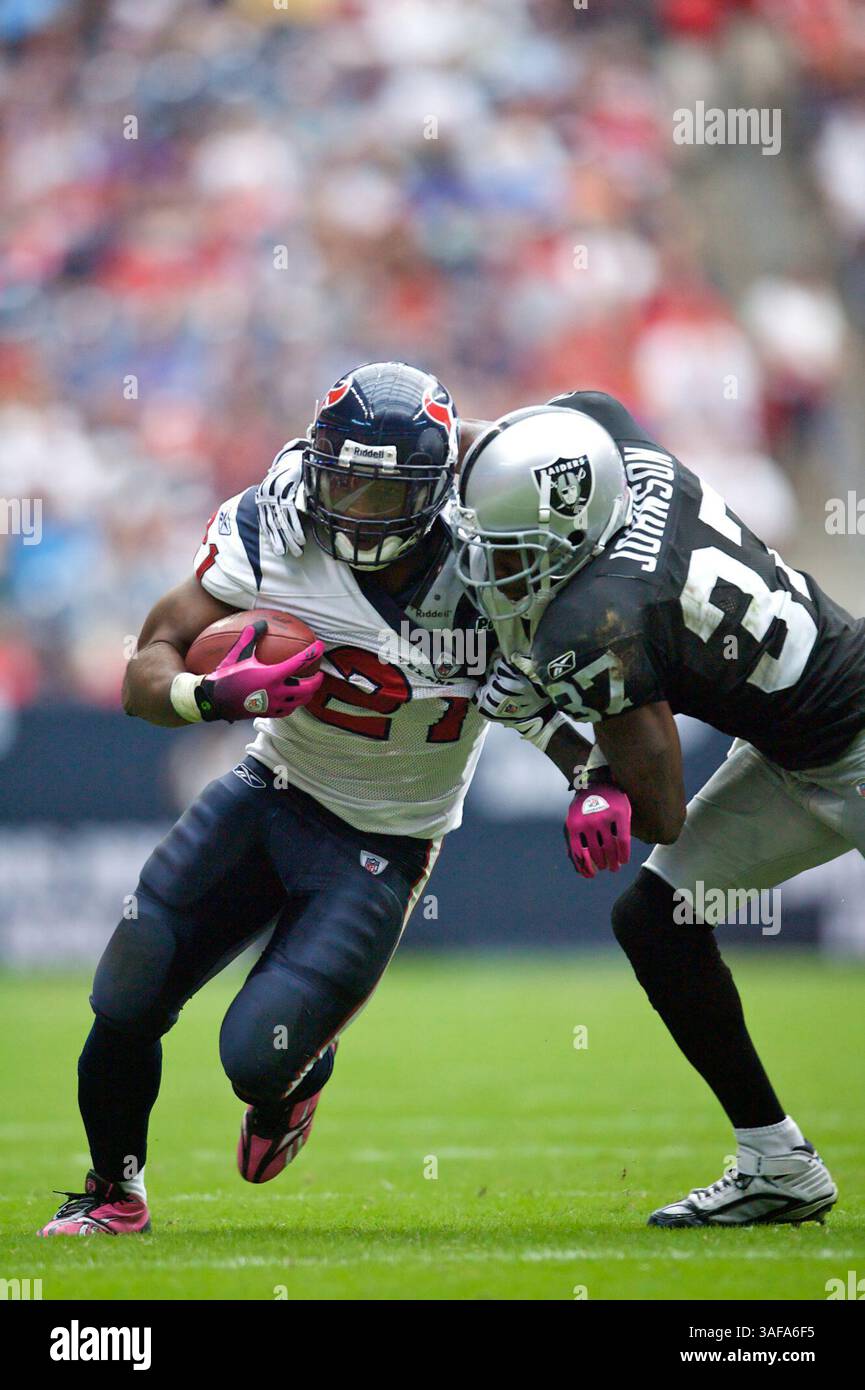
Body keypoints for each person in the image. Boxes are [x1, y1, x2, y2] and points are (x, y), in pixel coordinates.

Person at [38, 362, 592, 1238]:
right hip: (269, 789)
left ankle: (296, 1084)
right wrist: (212, 697)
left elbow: (551, 692)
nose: (355, 508)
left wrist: (590, 776)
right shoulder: (273, 522)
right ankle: (113, 1190)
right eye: (343, 481)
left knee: (258, 1058)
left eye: (383, 492)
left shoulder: (489, 557)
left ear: (436, 490)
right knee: (128, 988)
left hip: (382, 844)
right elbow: (149, 665)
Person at [456, 389, 865, 1227]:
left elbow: (660, 813)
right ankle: (775, 1163)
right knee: (656, 919)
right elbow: (541, 430)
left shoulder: (591, 617)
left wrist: (548, 733)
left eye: (512, 553)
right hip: (797, 742)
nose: (492, 570)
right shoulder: (617, 445)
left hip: (848, 742)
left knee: (655, 901)